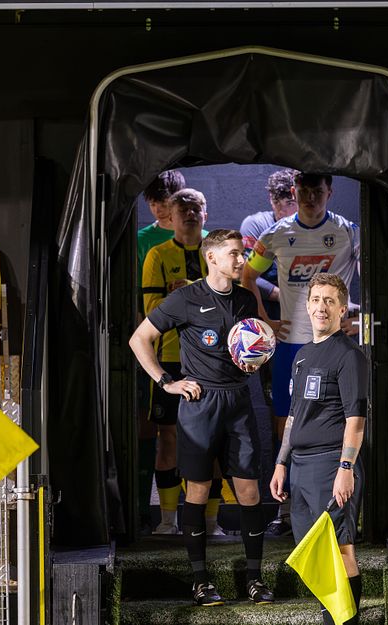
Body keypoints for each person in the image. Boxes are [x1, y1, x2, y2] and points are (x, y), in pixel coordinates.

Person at [130, 229, 274, 607]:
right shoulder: (185, 298)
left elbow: (253, 343)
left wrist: (256, 359)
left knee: (249, 492)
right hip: (200, 404)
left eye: (242, 253)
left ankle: (255, 579)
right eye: (234, 254)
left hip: (238, 402)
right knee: (197, 490)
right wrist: (167, 382)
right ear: (211, 258)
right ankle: (200, 582)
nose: (241, 260)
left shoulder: (245, 298)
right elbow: (139, 339)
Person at [242, 172, 359, 536]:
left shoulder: (348, 231)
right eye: (304, 191)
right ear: (294, 192)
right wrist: (265, 320)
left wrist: (359, 316)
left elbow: (383, 270)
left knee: (345, 418)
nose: (310, 198)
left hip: (336, 344)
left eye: (317, 191)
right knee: (287, 421)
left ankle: (342, 503)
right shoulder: (276, 233)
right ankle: (288, 509)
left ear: (329, 192)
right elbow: (247, 277)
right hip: (292, 346)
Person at [270, 273, 367, 625]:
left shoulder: (349, 356)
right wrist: (281, 462)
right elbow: (294, 416)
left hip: (331, 466)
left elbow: (356, 420)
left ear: (342, 309)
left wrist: (345, 468)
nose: (321, 307)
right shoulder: (302, 355)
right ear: (307, 306)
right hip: (300, 468)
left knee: (340, 550)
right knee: (315, 555)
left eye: (329, 301)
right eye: (315, 300)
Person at [142, 188, 222, 535]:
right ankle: (167, 521)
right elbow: (151, 313)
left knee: (212, 442)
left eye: (196, 209)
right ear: (170, 217)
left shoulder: (217, 253)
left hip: (213, 361)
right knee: (169, 438)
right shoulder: (158, 255)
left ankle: (211, 523)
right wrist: (199, 296)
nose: (190, 214)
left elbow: (227, 305)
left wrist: (185, 291)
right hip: (170, 359)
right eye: (183, 210)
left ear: (205, 214)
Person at [135, 170, 187, 535]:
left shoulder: (204, 240)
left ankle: (205, 520)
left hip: (201, 354)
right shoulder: (144, 242)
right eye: (153, 202)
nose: (159, 209)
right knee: (154, 431)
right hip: (157, 349)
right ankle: (152, 514)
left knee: (205, 439)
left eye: (165, 201)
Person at [240, 169, 298, 320]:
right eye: (276, 202)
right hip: (266, 311)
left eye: (290, 203)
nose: (281, 210)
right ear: (270, 199)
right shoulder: (255, 225)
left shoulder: (316, 230)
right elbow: (244, 275)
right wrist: (281, 295)